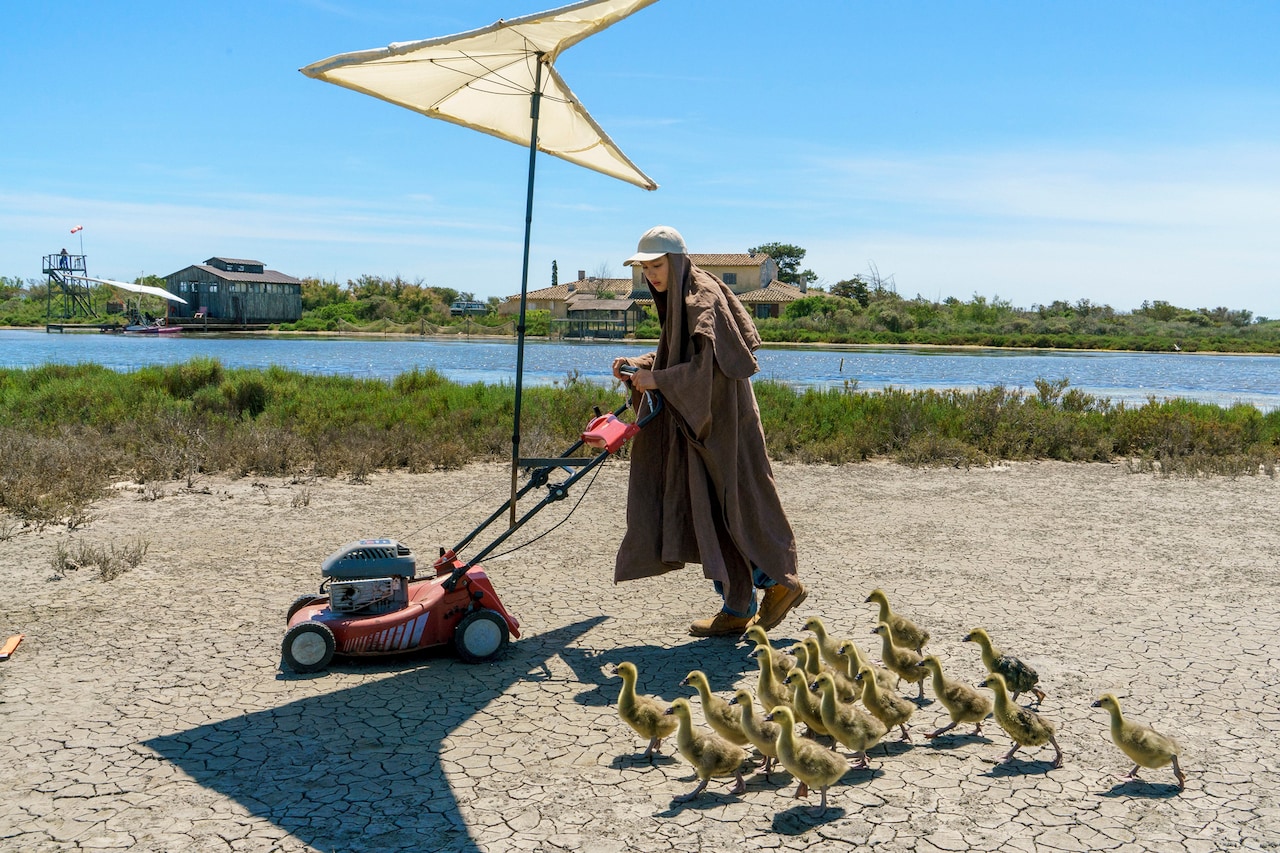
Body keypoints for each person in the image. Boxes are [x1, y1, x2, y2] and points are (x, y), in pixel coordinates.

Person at [611, 225, 806, 637]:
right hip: (701, 424)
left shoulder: (702, 297)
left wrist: (659, 381)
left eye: (658, 265)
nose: (652, 275)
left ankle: (777, 584)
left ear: (677, 261)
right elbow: (676, 352)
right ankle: (737, 606)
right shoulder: (680, 296)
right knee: (706, 511)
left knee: (734, 505)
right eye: (645, 268)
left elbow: (708, 368)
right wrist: (642, 365)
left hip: (725, 424)